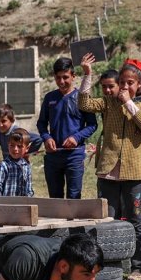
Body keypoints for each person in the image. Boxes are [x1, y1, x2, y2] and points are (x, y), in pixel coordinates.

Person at [78, 54, 141, 280]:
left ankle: (138, 268)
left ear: (139, 85)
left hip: (133, 173)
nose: (125, 86)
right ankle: (107, 265)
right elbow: (84, 104)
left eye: (130, 83)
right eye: (122, 82)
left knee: (135, 220)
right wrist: (87, 74)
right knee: (106, 220)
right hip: (108, 171)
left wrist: (129, 103)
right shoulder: (108, 103)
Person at [36, 57, 98, 199]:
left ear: (73, 76)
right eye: (58, 78)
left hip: (74, 156)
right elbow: (41, 123)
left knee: (74, 197)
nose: (62, 81)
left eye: (65, 77)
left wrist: (76, 137)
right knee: (55, 198)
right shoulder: (50, 98)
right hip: (53, 157)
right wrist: (46, 137)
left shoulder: (82, 98)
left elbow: (92, 125)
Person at [0, 128, 34, 197]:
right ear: (8, 145)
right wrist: (0, 201)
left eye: (19, 146)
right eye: (12, 145)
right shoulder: (3, 166)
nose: (15, 149)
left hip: (23, 203)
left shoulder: (26, 166)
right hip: (6, 203)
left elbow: (29, 190)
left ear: (27, 148)